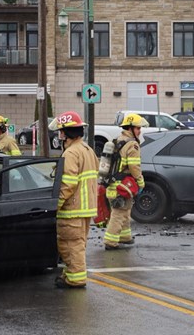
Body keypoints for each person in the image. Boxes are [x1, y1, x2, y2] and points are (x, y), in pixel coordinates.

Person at [48, 111, 99, 289]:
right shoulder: (87, 150)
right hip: (86, 208)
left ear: (65, 133)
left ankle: (75, 278)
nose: (59, 135)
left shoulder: (70, 153)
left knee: (70, 244)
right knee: (78, 244)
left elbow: (67, 184)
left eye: (61, 131)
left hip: (72, 209)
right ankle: (70, 274)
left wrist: (56, 204)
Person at [103, 112, 148, 250]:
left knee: (125, 210)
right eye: (137, 128)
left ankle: (125, 237)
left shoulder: (117, 140)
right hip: (122, 186)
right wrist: (141, 182)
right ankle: (110, 241)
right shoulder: (132, 145)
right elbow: (134, 167)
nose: (139, 131)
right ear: (129, 128)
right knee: (119, 213)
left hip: (112, 184)